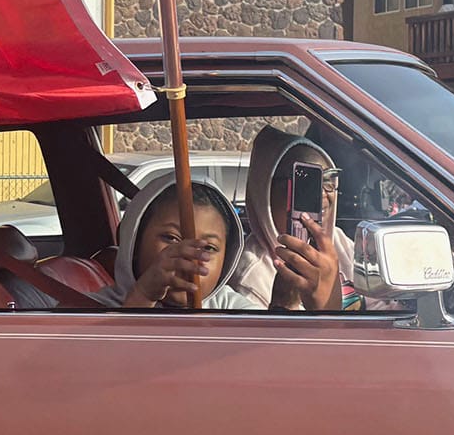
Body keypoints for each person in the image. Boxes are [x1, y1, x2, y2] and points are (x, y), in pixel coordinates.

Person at [232, 125, 358, 311]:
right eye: (306, 184)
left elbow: (380, 305)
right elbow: (274, 340)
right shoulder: (252, 276)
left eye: (328, 179)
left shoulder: (338, 242)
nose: (321, 193)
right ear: (266, 192)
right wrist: (284, 304)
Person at [101, 176, 255, 310]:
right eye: (171, 238)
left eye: (208, 247)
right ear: (134, 242)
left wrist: (278, 305)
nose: (188, 257)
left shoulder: (233, 310)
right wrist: (143, 296)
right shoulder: (91, 312)